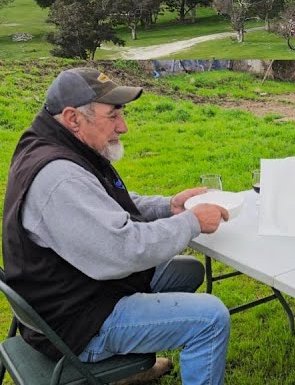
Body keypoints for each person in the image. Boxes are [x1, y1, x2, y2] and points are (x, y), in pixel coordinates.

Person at [1, 67, 231, 385]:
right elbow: (122, 249)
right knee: (211, 318)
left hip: (75, 290)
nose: (123, 127)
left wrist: (168, 206)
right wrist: (191, 221)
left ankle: (130, 364)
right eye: (112, 116)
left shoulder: (58, 145)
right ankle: (108, 358)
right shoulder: (59, 177)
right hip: (78, 322)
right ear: (73, 118)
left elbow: (102, 201)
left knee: (187, 271)